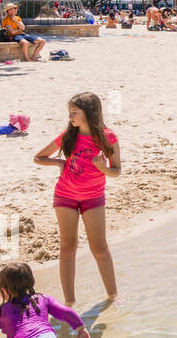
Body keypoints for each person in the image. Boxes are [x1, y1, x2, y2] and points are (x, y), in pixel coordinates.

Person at [33, 92, 121, 305]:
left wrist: (103, 168)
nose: (70, 116)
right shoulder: (68, 135)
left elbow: (116, 170)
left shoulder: (107, 138)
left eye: (75, 112)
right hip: (65, 196)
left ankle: (112, 297)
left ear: (89, 113)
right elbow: (38, 157)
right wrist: (59, 163)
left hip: (93, 197)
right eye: (70, 112)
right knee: (68, 247)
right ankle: (70, 302)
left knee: (99, 248)